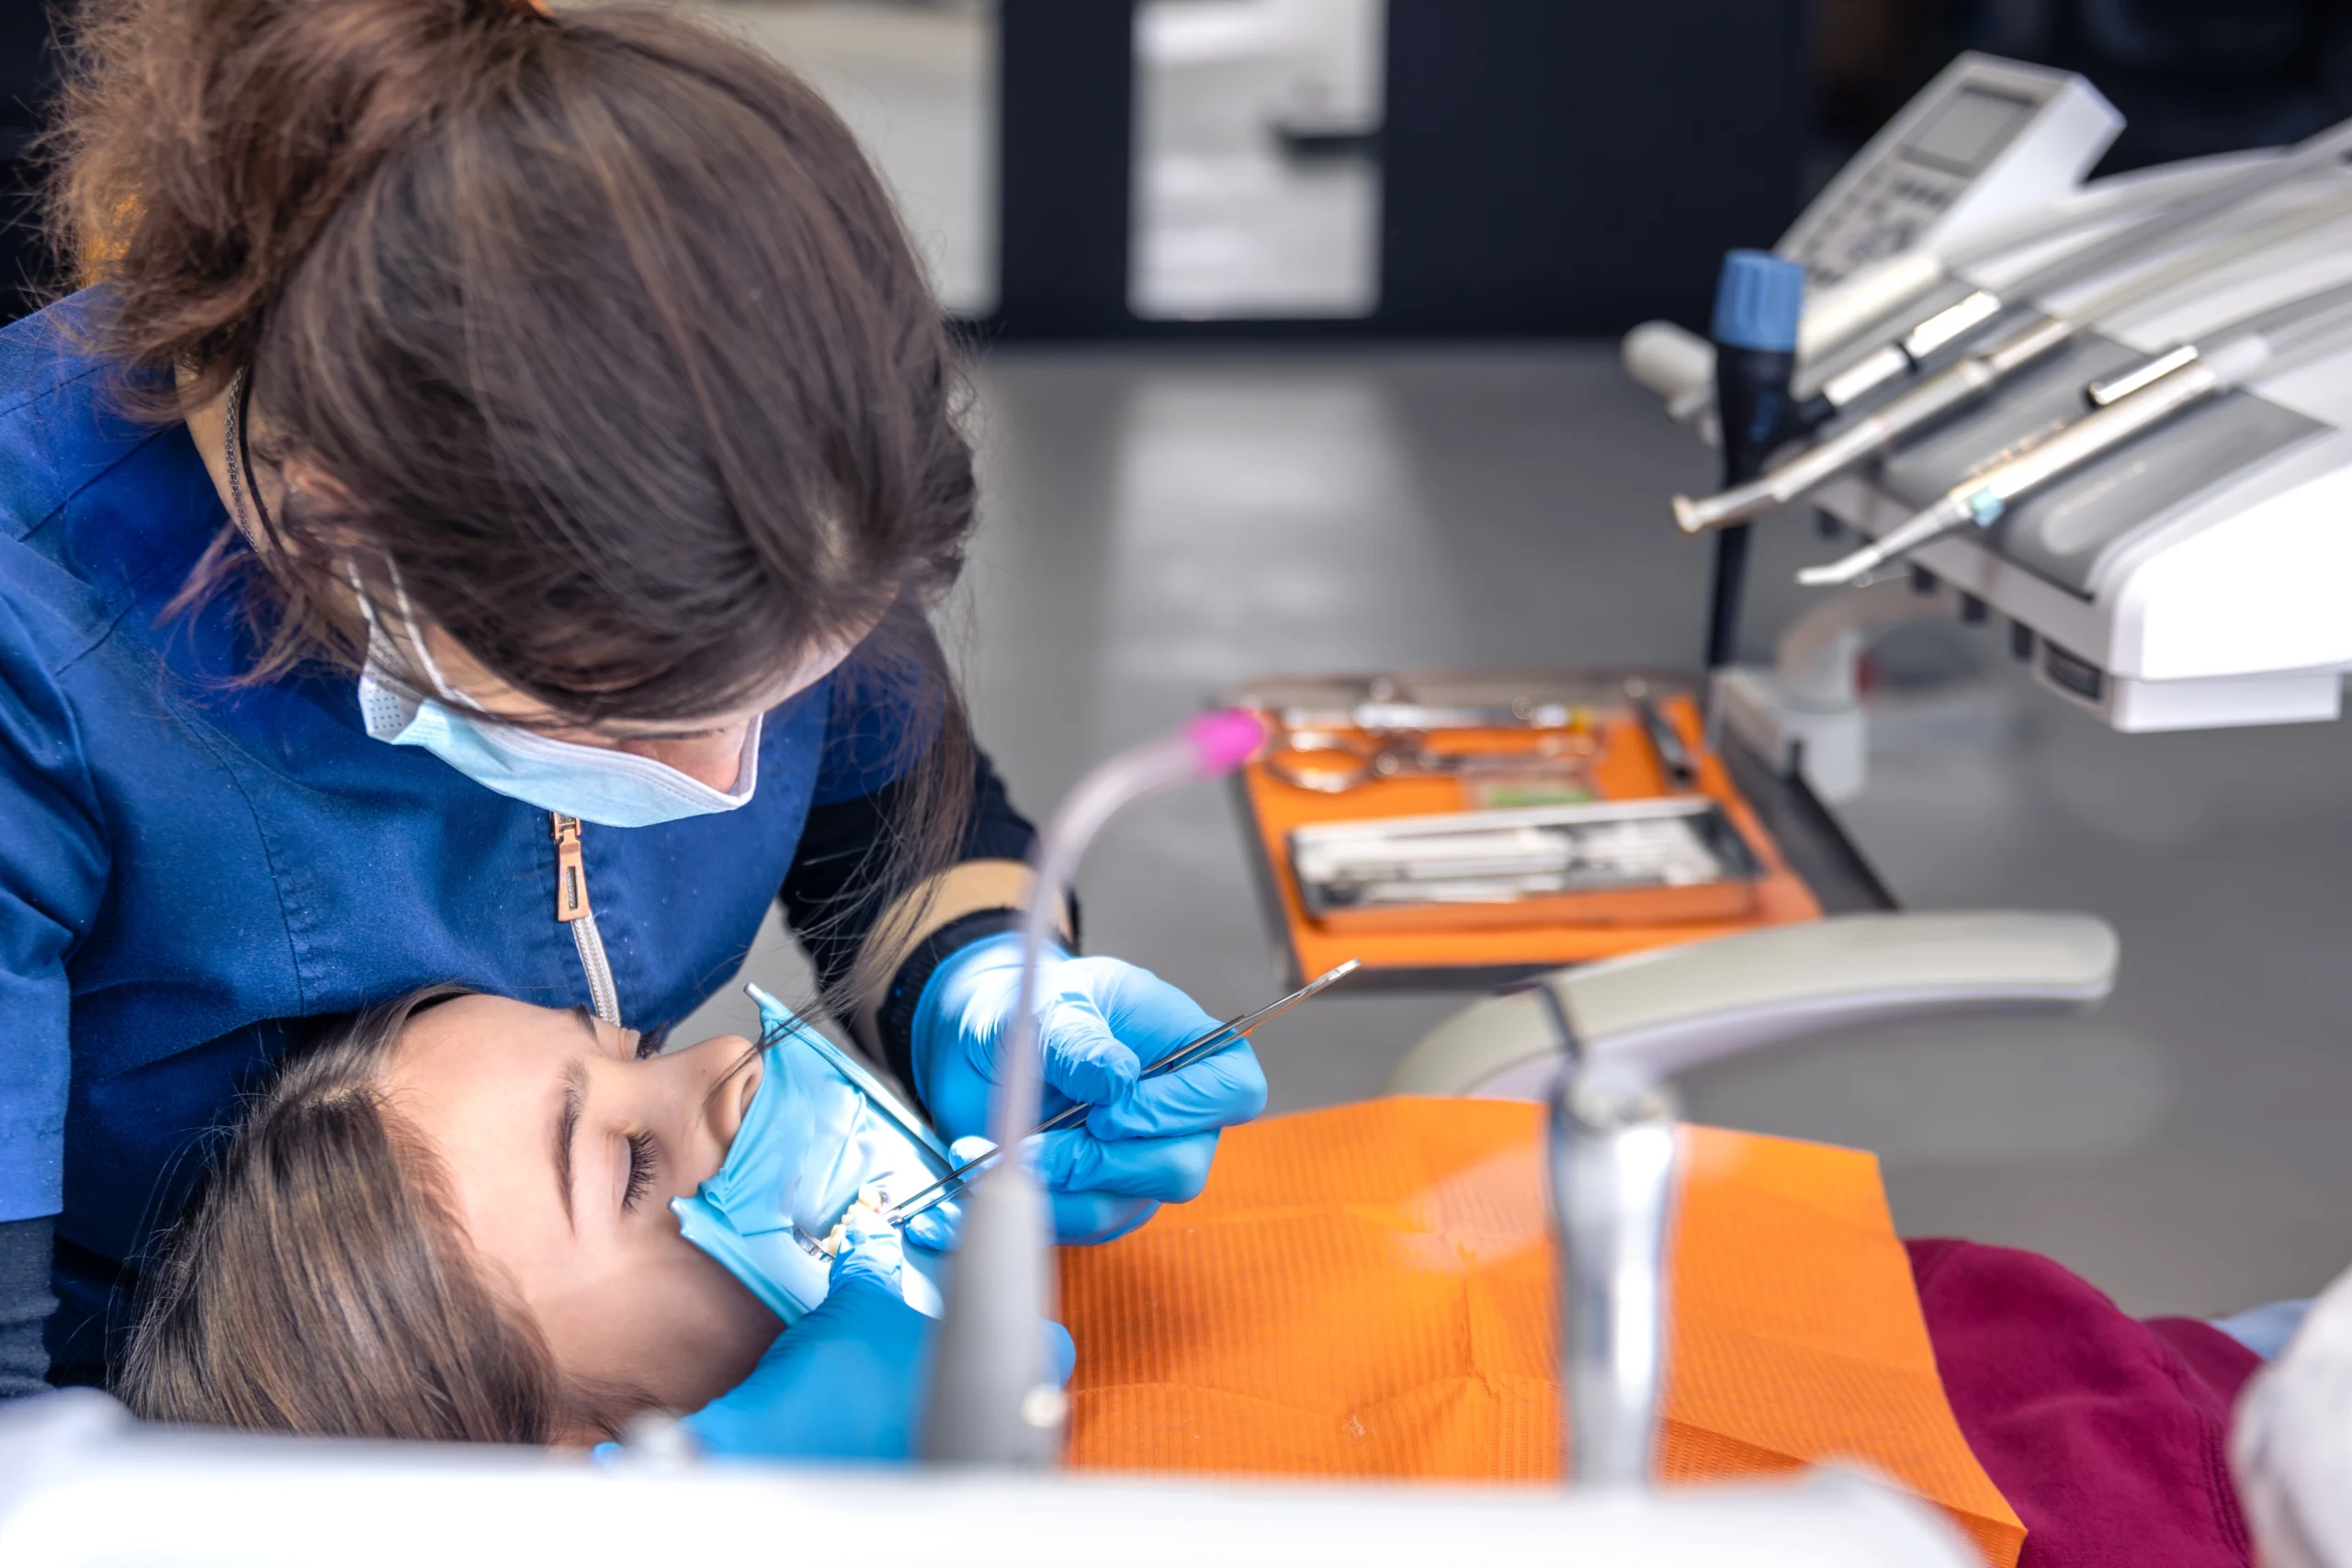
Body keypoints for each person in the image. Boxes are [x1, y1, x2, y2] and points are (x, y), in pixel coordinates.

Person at [0, 0, 1264, 1407]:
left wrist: (988, 989)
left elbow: (901, 828)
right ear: (332, 523)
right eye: (628, 711)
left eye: (784, 688)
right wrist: (650, 1487)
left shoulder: (735, 464)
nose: (726, 779)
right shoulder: (34, 640)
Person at [127, 985, 2283, 1568]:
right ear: (565, 1469)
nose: (718, 1072)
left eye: (619, 1041)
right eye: (625, 1157)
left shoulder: (988, 1265)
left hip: (2008, 1355)